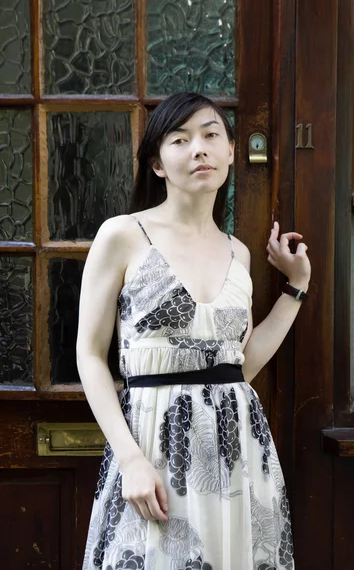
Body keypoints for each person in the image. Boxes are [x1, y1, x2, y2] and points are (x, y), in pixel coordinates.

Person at [77, 92, 311, 570]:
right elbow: (89, 354)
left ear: (230, 151)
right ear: (158, 164)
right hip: (153, 447)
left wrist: (297, 287)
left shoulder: (238, 252)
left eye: (210, 136)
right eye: (180, 140)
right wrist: (130, 460)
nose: (198, 149)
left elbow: (238, 367)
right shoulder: (122, 235)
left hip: (239, 451)